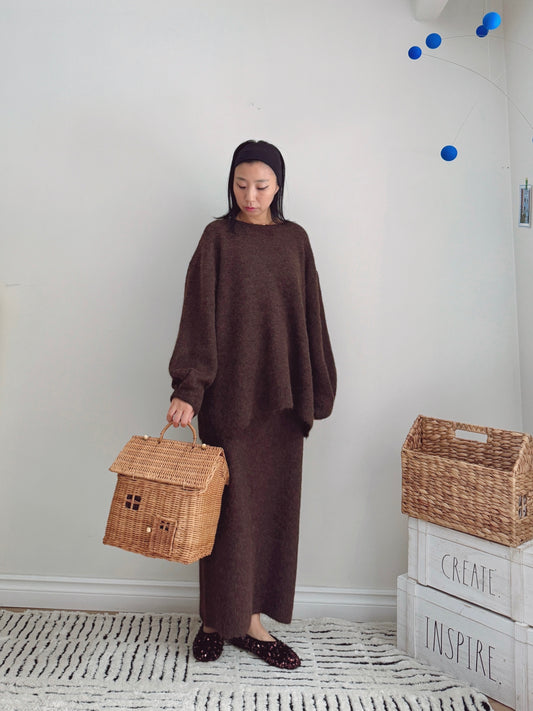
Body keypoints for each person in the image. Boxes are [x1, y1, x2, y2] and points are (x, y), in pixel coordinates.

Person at [167, 139, 336, 669]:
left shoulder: (295, 240)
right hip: (230, 399)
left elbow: (312, 314)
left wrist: (319, 387)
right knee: (225, 514)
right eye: (241, 185)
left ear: (278, 185)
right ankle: (216, 619)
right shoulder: (218, 238)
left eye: (261, 186)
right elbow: (198, 314)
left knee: (270, 512)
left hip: (282, 400)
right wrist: (189, 389)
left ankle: (251, 621)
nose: (250, 195)